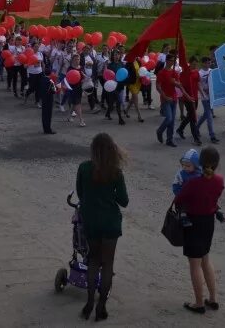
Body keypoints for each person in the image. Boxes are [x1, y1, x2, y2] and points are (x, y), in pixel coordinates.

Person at [75, 133, 129, 322]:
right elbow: (124, 201)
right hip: (110, 222)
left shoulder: (84, 168)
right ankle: (102, 306)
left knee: (93, 262)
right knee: (107, 264)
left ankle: (89, 302)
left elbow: (80, 193)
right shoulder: (115, 172)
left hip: (91, 221)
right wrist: (110, 195)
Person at [174, 146, 224, 315]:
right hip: (208, 222)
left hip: (193, 223)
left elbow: (179, 199)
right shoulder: (219, 180)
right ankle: (213, 298)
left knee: (194, 264)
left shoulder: (193, 183)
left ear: (200, 163)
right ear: (216, 164)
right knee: (206, 260)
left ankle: (198, 303)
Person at [171, 148, 202, 227]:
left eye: (188, 166)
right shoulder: (181, 174)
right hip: (183, 196)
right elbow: (175, 185)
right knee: (183, 205)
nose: (185, 167)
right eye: (183, 165)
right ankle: (183, 217)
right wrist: (180, 194)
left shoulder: (199, 174)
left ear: (195, 165)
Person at [156, 50, 181, 147]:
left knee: (172, 120)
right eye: (171, 60)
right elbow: (158, 86)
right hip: (166, 99)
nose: (173, 62)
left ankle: (169, 139)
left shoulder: (174, 72)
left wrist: (175, 83)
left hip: (174, 98)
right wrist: (164, 96)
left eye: (174, 61)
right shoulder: (161, 73)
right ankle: (159, 131)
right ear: (167, 61)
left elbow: (179, 85)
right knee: (169, 118)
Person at [194, 57, 219, 143]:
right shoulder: (199, 73)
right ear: (203, 63)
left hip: (211, 96)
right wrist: (203, 92)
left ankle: (196, 127)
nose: (209, 64)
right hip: (205, 97)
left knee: (206, 114)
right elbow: (198, 84)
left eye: (210, 62)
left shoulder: (211, 71)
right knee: (209, 117)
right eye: (207, 63)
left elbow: (215, 82)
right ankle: (212, 136)